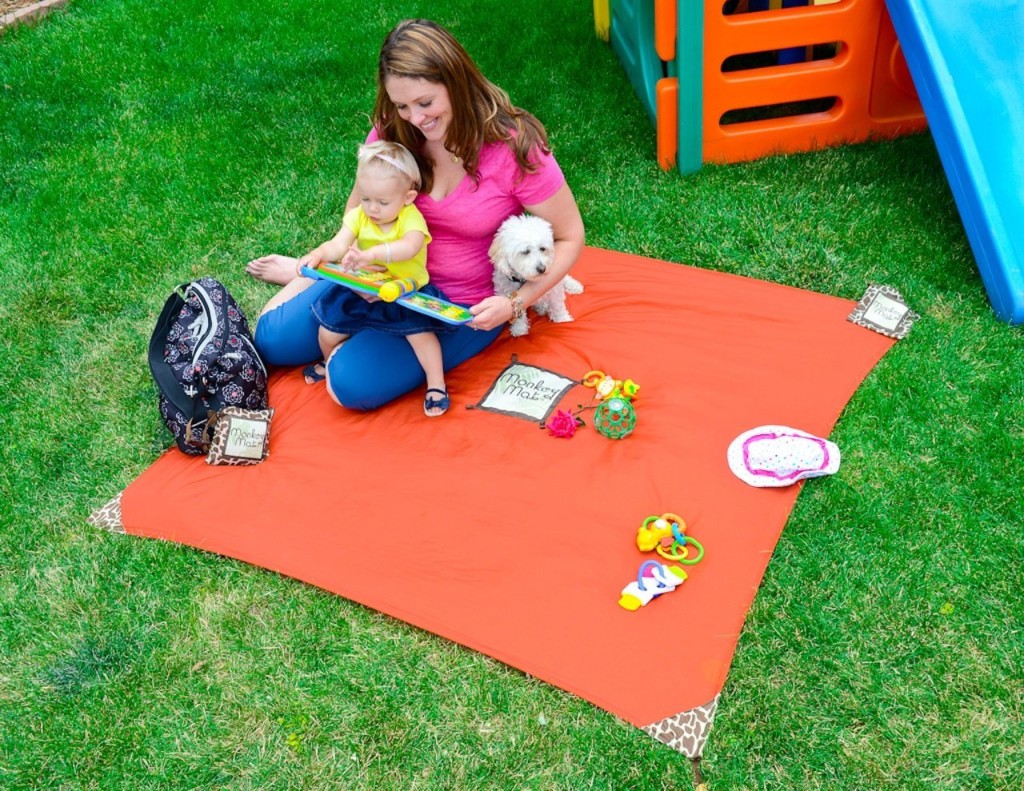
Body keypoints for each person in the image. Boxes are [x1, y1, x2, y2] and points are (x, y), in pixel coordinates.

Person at [246, 18, 585, 411]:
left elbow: (569, 236)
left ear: (456, 81)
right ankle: (304, 275)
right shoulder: (395, 131)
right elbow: (359, 206)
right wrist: (356, 269)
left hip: (458, 302)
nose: (415, 118)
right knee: (271, 342)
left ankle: (319, 292)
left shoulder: (515, 147)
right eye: (402, 105)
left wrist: (514, 304)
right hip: (383, 277)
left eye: (425, 103)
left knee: (348, 386)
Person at [298, 140, 455, 417]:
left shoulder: (410, 219)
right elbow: (339, 243)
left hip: (404, 293)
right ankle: (327, 361)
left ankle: (436, 384)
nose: (372, 208)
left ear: (407, 197)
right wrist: (318, 253)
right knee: (327, 329)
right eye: (366, 198)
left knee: (421, 335)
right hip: (362, 287)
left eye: (383, 202)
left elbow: (410, 247)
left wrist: (372, 254)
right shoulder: (361, 216)